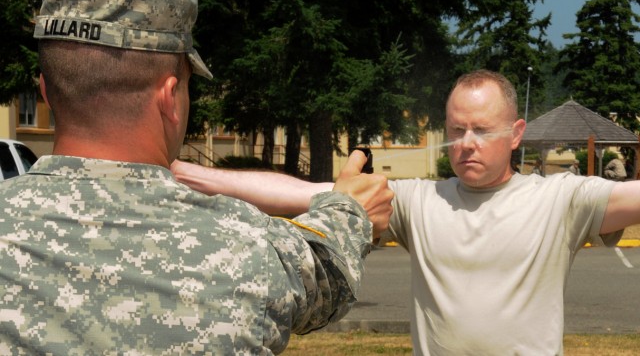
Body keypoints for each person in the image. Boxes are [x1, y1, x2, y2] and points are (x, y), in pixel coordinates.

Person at [0, 0, 394, 354]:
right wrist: (351, 211)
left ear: (46, 91)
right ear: (170, 96)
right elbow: (326, 271)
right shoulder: (246, 247)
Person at [171, 69, 640, 355]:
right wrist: (187, 173)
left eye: (483, 130)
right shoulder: (418, 200)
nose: (467, 143)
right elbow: (299, 194)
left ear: (516, 134)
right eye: (457, 129)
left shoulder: (561, 200)